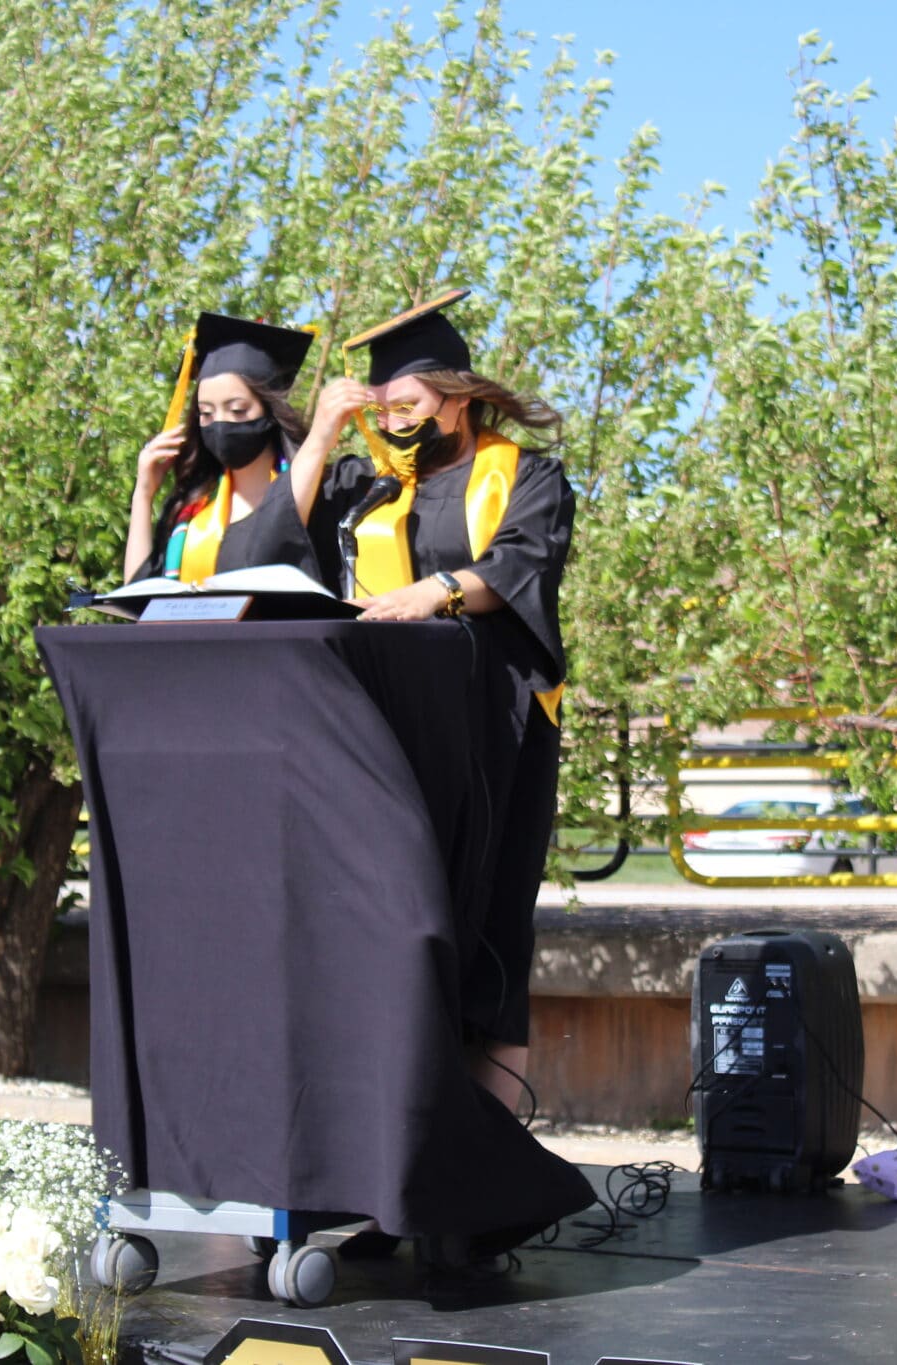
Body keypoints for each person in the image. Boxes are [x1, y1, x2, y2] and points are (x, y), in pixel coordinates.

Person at [297, 289, 575, 1116]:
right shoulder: (363, 488)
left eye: (410, 406)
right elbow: (274, 541)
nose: (397, 424)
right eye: (383, 411)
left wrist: (437, 591)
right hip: (382, 735)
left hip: (497, 732)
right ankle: (399, 1153)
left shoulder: (525, 474)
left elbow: (524, 562)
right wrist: (320, 434)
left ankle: (492, 1160)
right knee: (394, 935)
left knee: (487, 929)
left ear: (457, 398)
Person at [123, 312, 333, 584]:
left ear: (270, 412)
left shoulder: (320, 495)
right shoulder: (192, 508)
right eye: (207, 413)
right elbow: (137, 593)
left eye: (237, 410)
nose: (221, 424)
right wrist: (144, 493)